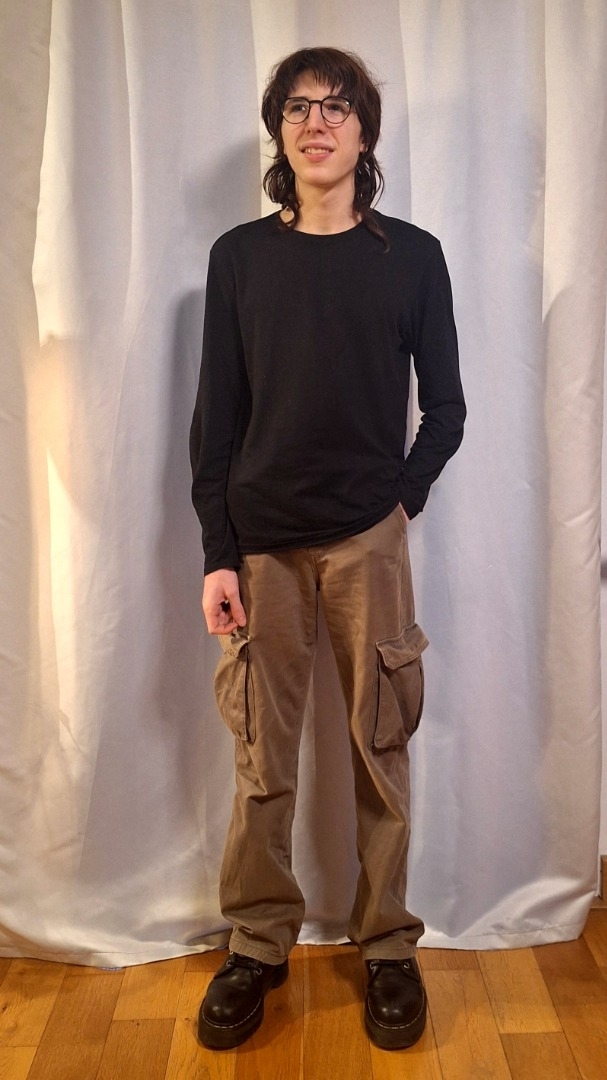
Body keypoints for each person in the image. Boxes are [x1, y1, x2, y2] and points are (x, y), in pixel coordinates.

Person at [190, 46, 465, 1052]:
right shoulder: (238, 259)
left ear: (364, 133)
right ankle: (257, 943)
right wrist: (218, 553)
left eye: (337, 106)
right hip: (261, 547)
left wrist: (398, 504)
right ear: (279, 130)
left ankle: (385, 942)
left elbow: (446, 408)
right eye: (299, 107)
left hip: (366, 544)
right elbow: (216, 419)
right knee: (262, 760)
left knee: (379, 747)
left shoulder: (412, 257)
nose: (317, 122)